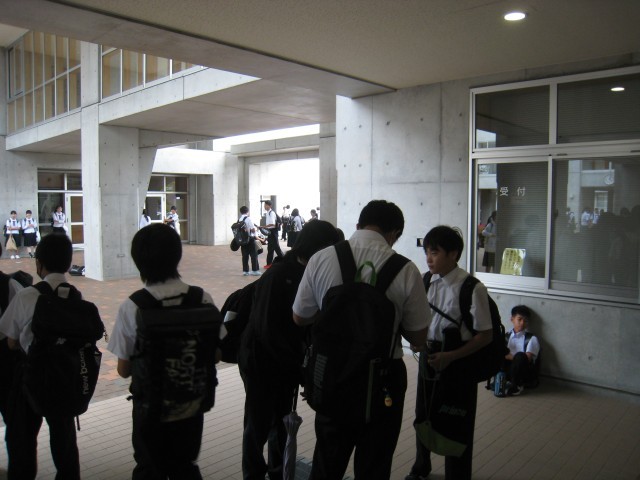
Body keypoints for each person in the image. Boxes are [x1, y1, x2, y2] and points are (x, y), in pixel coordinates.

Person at [292, 199, 429, 480]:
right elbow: (418, 337)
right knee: (374, 465)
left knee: (327, 461)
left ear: (358, 225)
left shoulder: (322, 258)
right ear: (394, 234)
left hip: (332, 374)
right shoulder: (406, 269)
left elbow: (299, 317)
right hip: (382, 382)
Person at [108, 223, 220, 479]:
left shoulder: (134, 306)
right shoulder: (202, 298)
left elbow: (124, 370)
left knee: (149, 468)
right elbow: (215, 355)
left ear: (138, 261)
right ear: (177, 255)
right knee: (185, 465)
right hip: (192, 404)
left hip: (151, 409)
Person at [239, 220, 341, 480]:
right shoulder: (278, 274)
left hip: (285, 362)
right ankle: (253, 474)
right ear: (318, 246)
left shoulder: (310, 271)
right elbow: (267, 330)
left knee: (281, 422)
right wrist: (298, 368)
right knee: (257, 424)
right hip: (261, 361)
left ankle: (278, 472)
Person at [406, 225, 492, 480]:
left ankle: (458, 475)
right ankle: (421, 466)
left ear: (453, 254)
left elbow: (485, 335)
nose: (428, 258)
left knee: (457, 418)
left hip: (459, 361)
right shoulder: (425, 281)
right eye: (426, 252)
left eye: (434, 252)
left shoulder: (472, 288)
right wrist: (417, 342)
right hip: (429, 356)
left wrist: (451, 356)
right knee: (423, 413)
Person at [0, 233, 81, 479]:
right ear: (68, 263)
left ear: (39, 263)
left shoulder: (27, 295)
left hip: (30, 379)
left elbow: (11, 342)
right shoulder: (76, 295)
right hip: (64, 378)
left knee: (22, 440)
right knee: (64, 442)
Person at [0, 242, 27, 425]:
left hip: (6, 363)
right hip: (6, 362)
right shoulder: (11, 285)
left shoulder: (10, 285)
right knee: (14, 421)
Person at [504, 304, 541, 396]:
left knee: (520, 356)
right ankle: (500, 379)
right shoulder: (506, 336)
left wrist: (510, 357)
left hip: (522, 370)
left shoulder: (531, 338)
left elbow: (527, 358)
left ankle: (516, 386)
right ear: (512, 319)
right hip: (507, 367)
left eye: (525, 321)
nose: (522, 323)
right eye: (519, 319)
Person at [238, 206, 260, 276]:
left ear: (240, 212)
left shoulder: (239, 220)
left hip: (243, 240)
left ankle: (245, 271)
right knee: (254, 254)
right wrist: (256, 230)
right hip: (250, 239)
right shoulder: (248, 219)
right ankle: (254, 270)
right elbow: (253, 229)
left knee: (245, 255)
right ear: (247, 212)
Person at [263, 200, 283, 268]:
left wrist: (264, 226)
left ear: (270, 206)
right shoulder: (268, 213)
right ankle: (269, 264)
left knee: (276, 248)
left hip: (273, 232)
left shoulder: (272, 213)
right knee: (270, 248)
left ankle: (285, 261)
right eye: (264, 205)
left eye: (266, 205)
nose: (264, 206)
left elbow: (273, 224)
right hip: (270, 232)